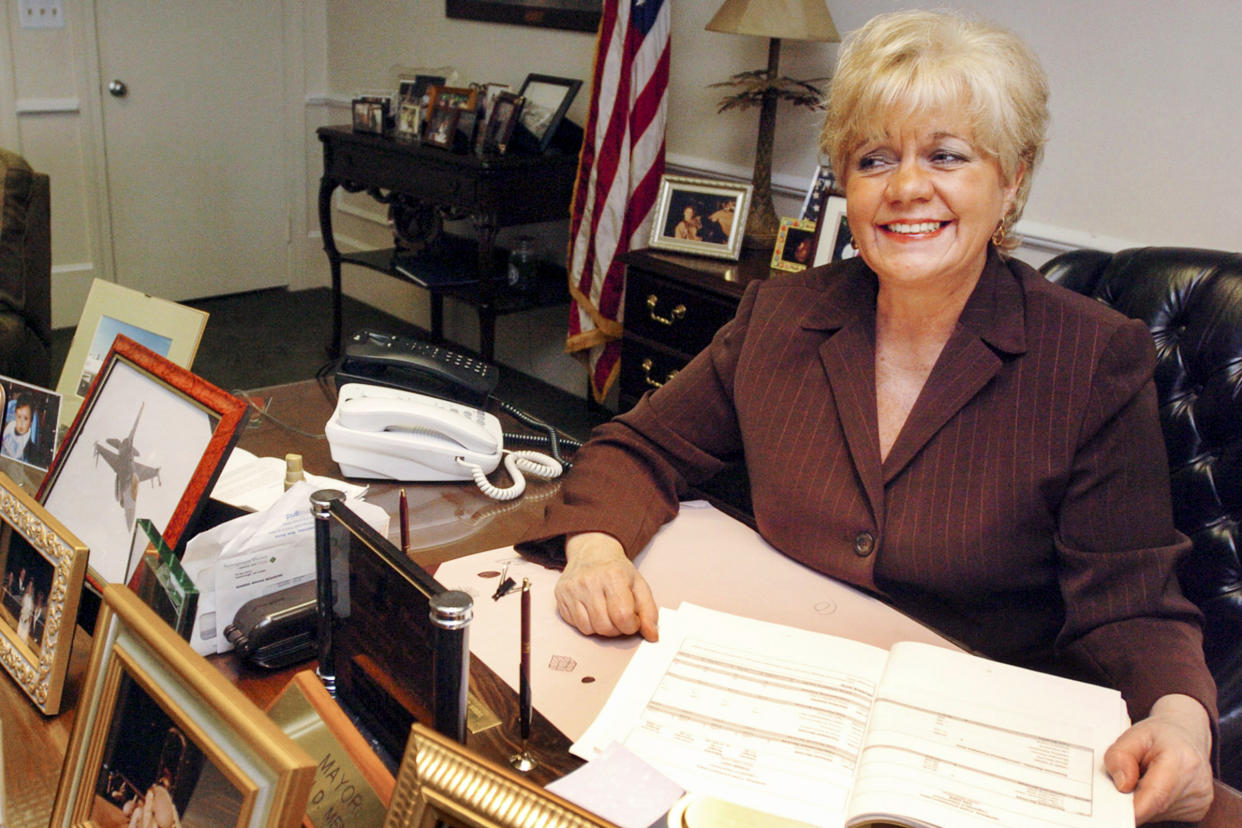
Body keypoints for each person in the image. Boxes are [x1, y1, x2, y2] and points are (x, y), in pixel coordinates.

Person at [522, 10, 1215, 825]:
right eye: (874, 159)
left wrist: (1177, 717)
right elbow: (640, 444)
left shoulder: (1093, 357)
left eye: (948, 155)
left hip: (973, 747)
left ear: (1013, 180)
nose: (907, 188)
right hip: (775, 713)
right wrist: (597, 550)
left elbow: (1132, 600)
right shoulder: (780, 316)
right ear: (845, 184)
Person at [1, 395, 35, 462]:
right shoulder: (10, 426)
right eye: (19, 417)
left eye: (25, 418)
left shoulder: (28, 445)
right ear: (15, 416)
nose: (21, 422)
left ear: (31, 422)